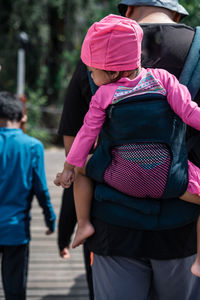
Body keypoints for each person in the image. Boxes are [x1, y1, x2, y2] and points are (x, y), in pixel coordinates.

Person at [57, 1, 200, 299]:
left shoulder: (96, 55)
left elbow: (77, 142)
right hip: (181, 231)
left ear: (129, 10)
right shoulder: (170, 73)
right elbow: (189, 112)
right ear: (176, 12)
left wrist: (71, 219)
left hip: (114, 228)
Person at [0, 92, 56, 300]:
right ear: (22, 116)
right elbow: (40, 187)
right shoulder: (32, 146)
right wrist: (50, 218)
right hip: (16, 229)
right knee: (15, 289)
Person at [57, 187, 94, 300]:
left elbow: (69, 205)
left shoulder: (82, 169)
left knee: (95, 284)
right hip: (139, 235)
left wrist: (63, 241)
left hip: (96, 238)